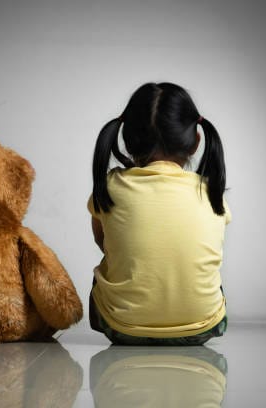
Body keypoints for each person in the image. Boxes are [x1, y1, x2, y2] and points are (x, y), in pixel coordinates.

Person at [88, 82, 232, 346]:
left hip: (123, 328)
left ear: (127, 139)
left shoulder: (110, 186)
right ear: (195, 141)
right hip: (203, 327)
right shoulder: (211, 191)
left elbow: (105, 244)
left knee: (107, 267)